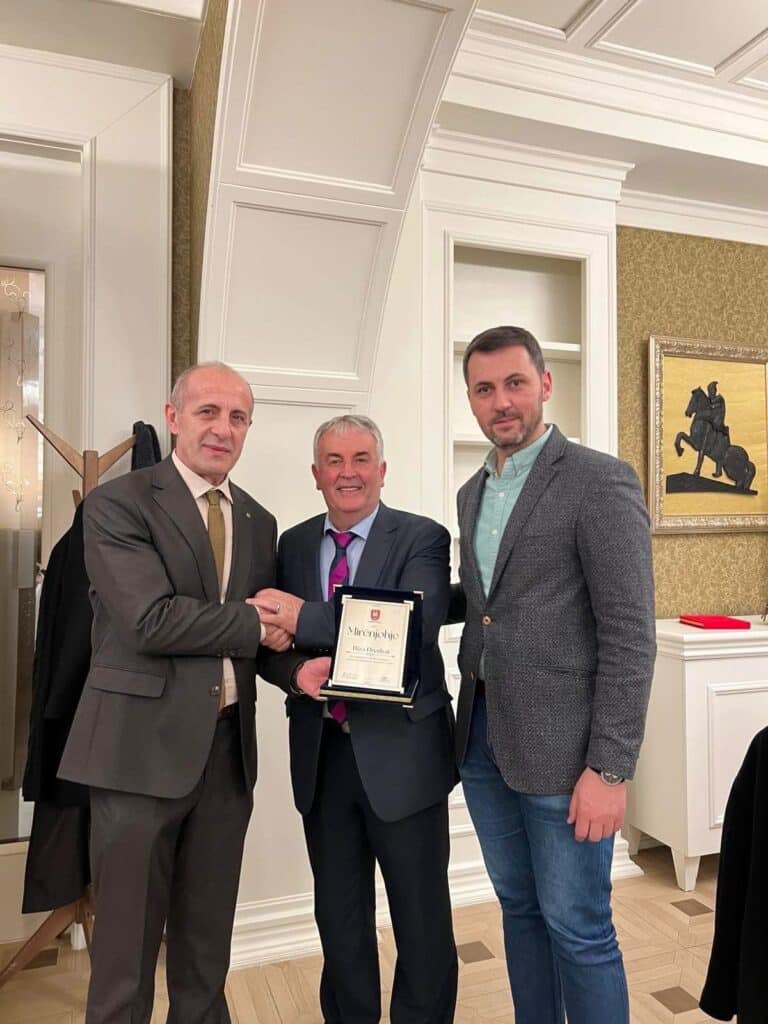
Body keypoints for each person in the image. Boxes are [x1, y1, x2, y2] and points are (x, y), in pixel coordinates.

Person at [58, 362, 326, 1024]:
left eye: (237, 417)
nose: (222, 429)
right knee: (124, 961)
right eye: (207, 412)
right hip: (136, 759)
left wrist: (295, 671)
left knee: (206, 954)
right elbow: (149, 621)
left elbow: (257, 645)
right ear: (173, 417)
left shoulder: (258, 520)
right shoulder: (117, 504)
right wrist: (259, 622)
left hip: (225, 760)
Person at [450, 326, 656, 1024]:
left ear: (545, 383)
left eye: (514, 383)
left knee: (580, 929)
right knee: (519, 908)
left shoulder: (600, 481)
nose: (501, 401)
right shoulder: (471, 493)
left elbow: (629, 635)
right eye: (484, 389)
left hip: (569, 759)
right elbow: (489, 604)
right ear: (471, 399)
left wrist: (611, 768)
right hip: (483, 741)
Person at [252, 414, 458, 1024]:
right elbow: (268, 646)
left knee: (421, 924)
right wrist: (295, 671)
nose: (349, 473)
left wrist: (304, 617)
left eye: (361, 459)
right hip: (323, 759)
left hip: (404, 760)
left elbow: (412, 628)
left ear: (382, 470)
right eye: (334, 461)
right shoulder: (291, 545)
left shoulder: (422, 537)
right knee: (339, 922)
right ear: (315, 474)